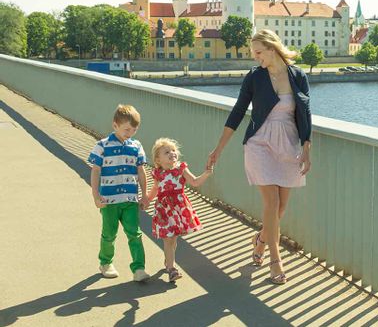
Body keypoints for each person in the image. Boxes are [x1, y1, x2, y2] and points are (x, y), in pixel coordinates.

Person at [207, 29, 312, 285]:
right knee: (271, 204)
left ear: (272, 48)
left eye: (258, 53)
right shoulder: (254, 77)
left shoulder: (298, 76)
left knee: (281, 207)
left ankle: (261, 240)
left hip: (288, 144)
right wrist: (218, 148)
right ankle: (275, 261)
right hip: (259, 143)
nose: (255, 58)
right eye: (254, 54)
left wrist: (307, 147)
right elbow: (237, 112)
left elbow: (306, 114)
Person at [88, 104, 150, 281]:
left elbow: (141, 171)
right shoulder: (102, 146)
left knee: (135, 233)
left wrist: (144, 194)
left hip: (130, 199)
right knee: (109, 234)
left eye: (134, 130)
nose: (130, 133)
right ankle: (105, 262)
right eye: (126, 129)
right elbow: (95, 171)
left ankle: (139, 269)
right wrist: (95, 195)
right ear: (115, 125)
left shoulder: (136, 146)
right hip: (108, 200)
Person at [144, 138, 212, 282]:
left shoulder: (181, 169)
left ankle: (168, 261)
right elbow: (155, 189)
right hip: (164, 210)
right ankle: (171, 268)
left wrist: (206, 173)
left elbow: (194, 181)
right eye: (167, 152)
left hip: (179, 208)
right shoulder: (158, 173)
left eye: (173, 150)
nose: (172, 153)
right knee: (168, 239)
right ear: (158, 159)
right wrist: (147, 200)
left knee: (173, 240)